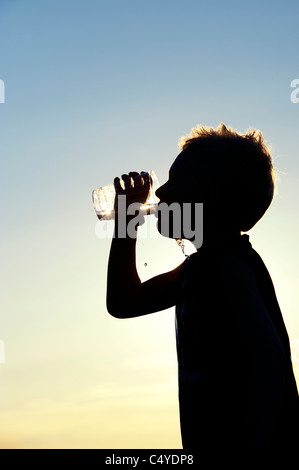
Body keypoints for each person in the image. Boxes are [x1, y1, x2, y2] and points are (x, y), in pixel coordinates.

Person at [106, 123, 299, 462]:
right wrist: (126, 223)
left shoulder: (228, 266)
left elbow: (271, 360)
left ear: (211, 197)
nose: (161, 193)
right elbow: (123, 302)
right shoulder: (197, 270)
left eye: (176, 181)